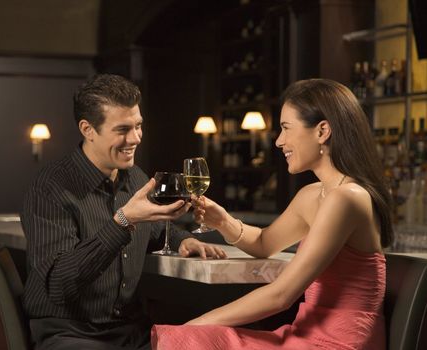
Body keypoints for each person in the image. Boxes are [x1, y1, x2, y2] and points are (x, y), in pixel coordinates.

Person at [152, 79, 394, 350]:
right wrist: (222, 221)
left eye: (286, 129)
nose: (279, 141)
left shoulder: (347, 197)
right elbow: (265, 243)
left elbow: (281, 295)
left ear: (322, 131)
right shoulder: (314, 194)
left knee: (190, 339)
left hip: (340, 342)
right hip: (305, 334)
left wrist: (197, 325)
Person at [20, 73, 227, 350]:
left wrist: (182, 240)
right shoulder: (51, 187)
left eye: (138, 126)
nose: (135, 138)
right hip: (69, 333)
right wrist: (122, 221)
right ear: (87, 129)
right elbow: (60, 284)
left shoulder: (136, 178)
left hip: (129, 331)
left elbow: (153, 230)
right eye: (122, 130)